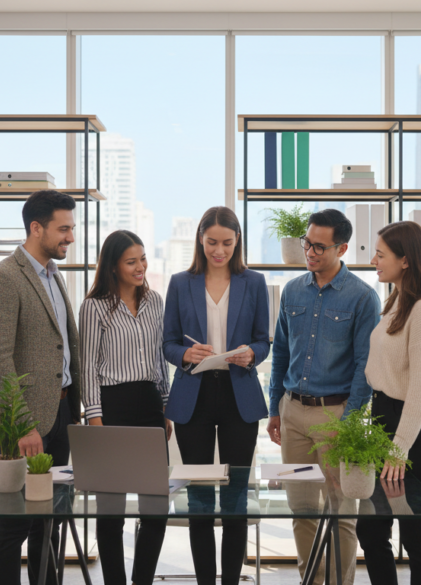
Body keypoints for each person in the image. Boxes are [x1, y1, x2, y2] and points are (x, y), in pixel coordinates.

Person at [267, 208, 381, 585]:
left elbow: (365, 366)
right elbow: (281, 352)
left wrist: (349, 423)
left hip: (338, 417)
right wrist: (275, 409)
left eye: (319, 246)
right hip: (294, 414)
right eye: (307, 243)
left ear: (342, 248)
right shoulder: (292, 291)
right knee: (300, 511)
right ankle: (310, 580)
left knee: (341, 515)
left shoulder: (363, 298)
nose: (310, 252)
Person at [0, 189, 82, 585]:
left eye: (72, 228)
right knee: (13, 527)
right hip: (23, 426)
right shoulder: (2, 279)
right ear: (36, 228)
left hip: (62, 414)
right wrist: (22, 425)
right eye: (64, 228)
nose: (70, 237)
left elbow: (62, 348)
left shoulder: (54, 277)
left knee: (48, 522)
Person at [162, 206, 270, 585]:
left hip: (240, 393)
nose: (219, 250)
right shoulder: (180, 282)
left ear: (237, 240)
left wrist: (253, 353)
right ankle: (206, 580)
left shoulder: (253, 283)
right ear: (200, 240)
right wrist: (184, 354)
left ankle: (230, 581)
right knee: (200, 499)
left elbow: (263, 340)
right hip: (195, 394)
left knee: (236, 497)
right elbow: (168, 343)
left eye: (226, 243)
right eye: (211, 243)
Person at [356, 221, 421, 585]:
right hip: (385, 424)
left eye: (381, 255)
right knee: (372, 529)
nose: (374, 262)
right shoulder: (397, 300)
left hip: (413, 435)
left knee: (416, 536)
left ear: (406, 260)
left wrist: (398, 449)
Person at [80, 230, 171, 585]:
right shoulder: (95, 306)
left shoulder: (156, 302)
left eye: (143, 259)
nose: (140, 267)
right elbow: (87, 365)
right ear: (113, 266)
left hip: (150, 405)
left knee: (155, 508)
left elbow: (160, 360)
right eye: (131, 262)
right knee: (111, 511)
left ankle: (142, 581)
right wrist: (95, 420)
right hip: (112, 407)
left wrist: (166, 408)